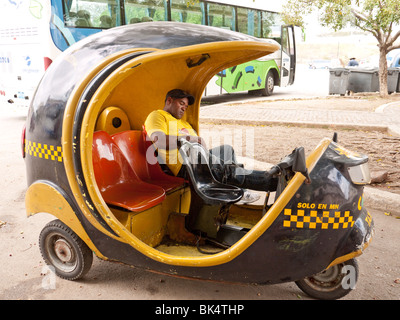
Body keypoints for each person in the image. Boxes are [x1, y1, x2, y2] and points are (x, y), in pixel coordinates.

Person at [144, 89, 277, 203]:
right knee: (227, 171)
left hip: (199, 158)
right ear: (169, 101)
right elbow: (159, 141)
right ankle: (271, 181)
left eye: (186, 106)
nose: (184, 108)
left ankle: (233, 189)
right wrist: (191, 138)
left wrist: (204, 152)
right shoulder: (157, 115)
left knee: (226, 150)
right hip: (184, 165)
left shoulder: (183, 123)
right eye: (181, 103)